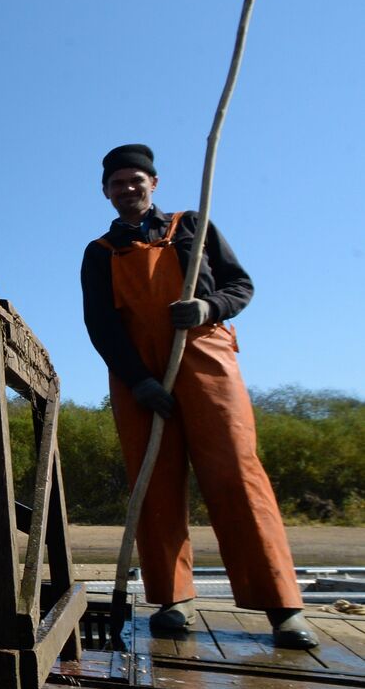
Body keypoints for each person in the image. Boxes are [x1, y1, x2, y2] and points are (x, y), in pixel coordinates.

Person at [80, 144, 317, 650]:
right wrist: (138, 379)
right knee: (154, 483)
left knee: (236, 472)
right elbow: (99, 324)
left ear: (154, 184)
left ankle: (283, 607)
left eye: (135, 180)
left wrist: (208, 307)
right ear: (106, 192)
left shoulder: (193, 225)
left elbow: (240, 285)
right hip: (136, 374)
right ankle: (173, 600)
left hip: (205, 358)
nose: (127, 189)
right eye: (117, 183)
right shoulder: (99, 251)